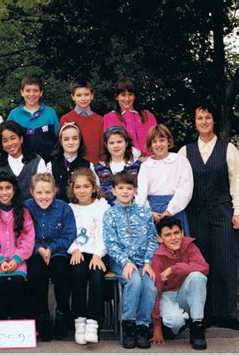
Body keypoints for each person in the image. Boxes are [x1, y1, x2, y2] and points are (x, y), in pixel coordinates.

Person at [178, 103, 239, 329]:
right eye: (199, 117)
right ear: (194, 122)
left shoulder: (228, 149)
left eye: (207, 117)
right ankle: (201, 315)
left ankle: (228, 314)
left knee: (225, 261)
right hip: (195, 214)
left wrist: (238, 211)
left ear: (214, 121)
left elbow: (237, 181)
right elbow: (181, 185)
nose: (203, 121)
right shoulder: (185, 151)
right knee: (200, 265)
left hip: (223, 211)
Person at [103, 171, 158, 349]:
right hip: (121, 263)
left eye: (129, 188)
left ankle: (143, 326)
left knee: (149, 284)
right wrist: (125, 261)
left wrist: (148, 261)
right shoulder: (110, 214)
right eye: (121, 188)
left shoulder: (144, 212)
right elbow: (111, 243)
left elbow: (152, 238)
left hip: (143, 262)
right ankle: (128, 324)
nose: (125, 191)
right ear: (113, 191)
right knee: (133, 281)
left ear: (135, 191)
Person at [24, 173, 76, 341]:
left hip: (58, 250)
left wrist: (51, 249)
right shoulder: (26, 208)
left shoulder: (63, 208)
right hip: (35, 251)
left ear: (55, 191)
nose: (44, 196)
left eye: (48, 192)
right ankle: (42, 316)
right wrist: (39, 248)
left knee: (62, 271)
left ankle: (62, 314)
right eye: (39, 193)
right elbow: (24, 234)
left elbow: (69, 234)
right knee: (36, 273)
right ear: (32, 192)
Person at [0, 172, 35, 320]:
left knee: (17, 283)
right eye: (0, 188)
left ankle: (17, 323)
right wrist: (1, 261)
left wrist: (16, 259)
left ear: (14, 189)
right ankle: (2, 321)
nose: (4, 192)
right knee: (0, 284)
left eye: (8, 188)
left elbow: (27, 241)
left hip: (18, 261)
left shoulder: (23, 212)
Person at [151, 216, 209, 350]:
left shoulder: (190, 246)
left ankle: (197, 326)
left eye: (176, 233)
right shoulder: (157, 256)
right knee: (174, 321)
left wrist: (174, 269)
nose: (174, 238)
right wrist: (157, 326)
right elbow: (156, 291)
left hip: (186, 294)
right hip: (167, 295)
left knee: (197, 276)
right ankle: (173, 326)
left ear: (182, 233)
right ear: (160, 238)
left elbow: (204, 267)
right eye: (168, 235)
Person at [67, 168, 110, 345]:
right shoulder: (69, 208)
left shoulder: (103, 206)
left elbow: (106, 234)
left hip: (99, 252)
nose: (82, 190)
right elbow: (67, 233)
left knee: (96, 276)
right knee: (77, 272)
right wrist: (74, 249)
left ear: (94, 188)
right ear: (73, 189)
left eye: (86, 186)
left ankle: (93, 322)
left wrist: (98, 254)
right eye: (78, 187)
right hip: (78, 252)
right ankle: (79, 320)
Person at [136, 124, 193, 234]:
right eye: (154, 141)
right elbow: (141, 194)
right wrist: (150, 213)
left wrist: (170, 211)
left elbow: (185, 190)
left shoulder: (180, 161)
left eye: (161, 140)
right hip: (153, 212)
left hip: (175, 211)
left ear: (168, 141)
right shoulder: (146, 166)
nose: (158, 145)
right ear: (150, 145)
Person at [0, 120, 48, 200]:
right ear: (1, 144)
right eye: (5, 141)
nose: (10, 143)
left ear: (21, 139)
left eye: (13, 138)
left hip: (32, 210)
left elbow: (46, 188)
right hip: (3, 211)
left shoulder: (37, 161)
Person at [7, 74, 59, 163]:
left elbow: (59, 139)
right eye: (27, 90)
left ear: (41, 93)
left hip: (47, 164)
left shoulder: (50, 113)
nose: (31, 94)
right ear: (22, 92)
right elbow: (6, 140)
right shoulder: (14, 114)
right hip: (21, 164)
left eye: (35, 90)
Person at [103, 77, 157, 156]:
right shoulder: (109, 118)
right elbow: (112, 144)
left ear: (135, 96)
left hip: (150, 160)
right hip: (126, 162)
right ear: (117, 97)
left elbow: (156, 139)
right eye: (123, 95)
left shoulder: (148, 116)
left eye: (130, 95)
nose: (127, 99)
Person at [94, 126, 142, 205]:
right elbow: (97, 194)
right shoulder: (99, 168)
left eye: (119, 142)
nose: (116, 146)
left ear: (126, 143)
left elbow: (141, 192)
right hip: (107, 211)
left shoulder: (137, 166)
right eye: (111, 143)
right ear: (106, 145)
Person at [60, 78, 104, 164]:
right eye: (79, 95)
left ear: (92, 96)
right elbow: (63, 146)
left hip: (96, 166)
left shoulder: (100, 120)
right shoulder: (66, 119)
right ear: (73, 97)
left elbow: (102, 147)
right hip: (74, 166)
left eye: (86, 94)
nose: (83, 98)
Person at [47, 122, 92, 202]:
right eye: (66, 139)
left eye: (75, 138)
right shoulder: (51, 166)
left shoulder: (88, 165)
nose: (71, 142)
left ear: (80, 140)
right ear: (61, 142)